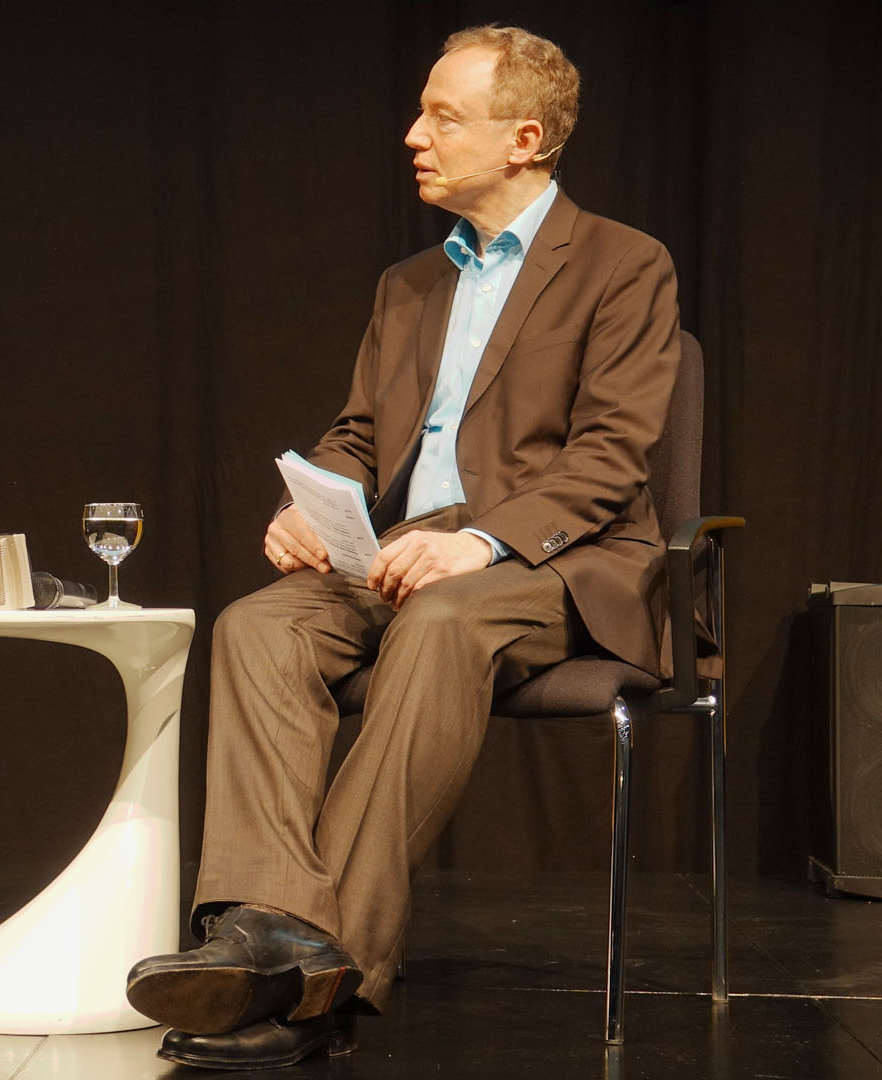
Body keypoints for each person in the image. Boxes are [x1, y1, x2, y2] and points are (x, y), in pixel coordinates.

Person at [125, 25, 681, 1071]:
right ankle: (275, 933)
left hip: (553, 562)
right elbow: (359, 434)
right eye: (422, 111)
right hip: (401, 554)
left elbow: (613, 457)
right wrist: (317, 500)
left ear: (524, 139)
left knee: (438, 621)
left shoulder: (622, 264)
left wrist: (482, 542)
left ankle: (318, 974)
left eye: (444, 116)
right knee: (258, 626)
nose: (414, 133)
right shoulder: (408, 284)